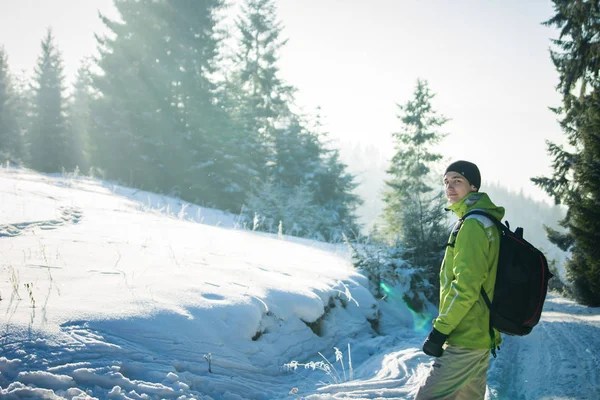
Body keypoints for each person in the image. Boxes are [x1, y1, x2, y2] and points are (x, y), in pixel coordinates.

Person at [414, 160, 505, 400]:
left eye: (458, 181)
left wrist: (440, 330)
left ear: (473, 186)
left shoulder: (473, 225)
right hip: (480, 334)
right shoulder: (485, 220)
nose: (450, 187)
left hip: (466, 336)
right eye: (446, 181)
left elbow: (466, 287)